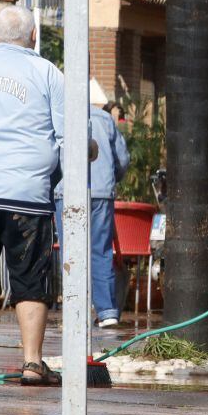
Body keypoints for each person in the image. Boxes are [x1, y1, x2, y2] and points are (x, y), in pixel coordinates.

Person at [0, 6, 64, 385]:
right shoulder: (47, 72)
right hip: (28, 195)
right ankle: (33, 363)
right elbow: (68, 136)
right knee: (29, 278)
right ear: (34, 37)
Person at [54, 78, 129, 329]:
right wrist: (110, 180)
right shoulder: (105, 119)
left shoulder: (60, 116)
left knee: (71, 253)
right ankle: (107, 311)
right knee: (100, 251)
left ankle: (75, 310)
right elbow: (122, 160)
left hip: (67, 193)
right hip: (100, 193)